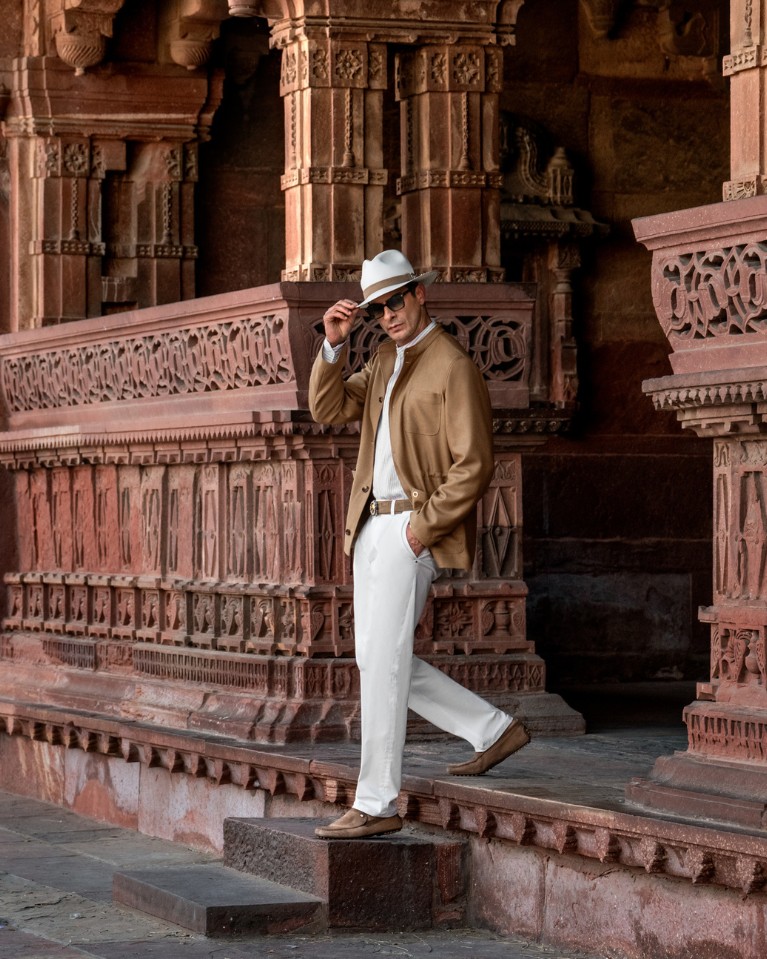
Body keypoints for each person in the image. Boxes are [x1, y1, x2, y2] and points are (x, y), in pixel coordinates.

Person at [309, 249, 530, 840]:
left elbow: (474, 463)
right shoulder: (384, 359)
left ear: (419, 294)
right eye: (377, 308)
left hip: (411, 531)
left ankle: (377, 802)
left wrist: (420, 530)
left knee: (383, 662)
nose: (388, 314)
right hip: (369, 526)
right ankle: (491, 729)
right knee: (376, 660)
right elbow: (329, 408)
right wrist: (333, 345)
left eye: (395, 301)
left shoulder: (452, 365)